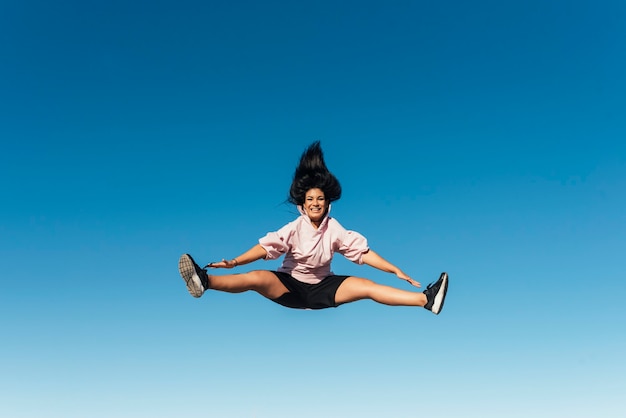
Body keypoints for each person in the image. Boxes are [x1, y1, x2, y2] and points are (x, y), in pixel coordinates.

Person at [178, 141, 448, 314]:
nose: (315, 203)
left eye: (320, 199)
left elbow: (362, 254)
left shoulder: (335, 229)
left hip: (323, 288)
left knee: (366, 286)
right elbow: (265, 248)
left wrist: (395, 270)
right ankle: (205, 281)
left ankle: (426, 300)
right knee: (258, 277)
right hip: (290, 287)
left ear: (327, 202)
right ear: (303, 205)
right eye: (310, 200)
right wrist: (235, 262)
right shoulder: (295, 228)